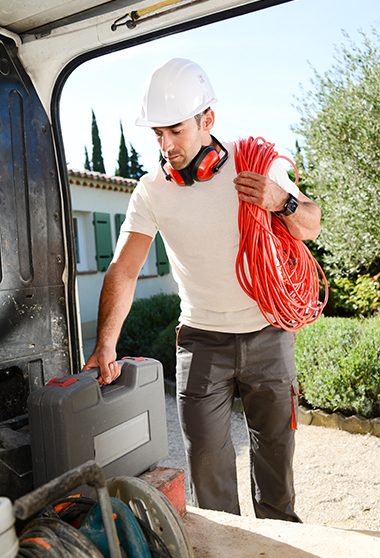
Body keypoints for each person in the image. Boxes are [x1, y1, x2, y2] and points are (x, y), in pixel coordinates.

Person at [84, 58, 321, 522]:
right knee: (209, 482)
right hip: (201, 342)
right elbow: (124, 269)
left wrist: (281, 201)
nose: (166, 145)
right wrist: (105, 344)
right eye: (157, 134)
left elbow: (310, 223)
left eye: (175, 130)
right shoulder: (151, 190)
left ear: (207, 120)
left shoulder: (257, 163)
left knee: (277, 473)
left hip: (269, 334)